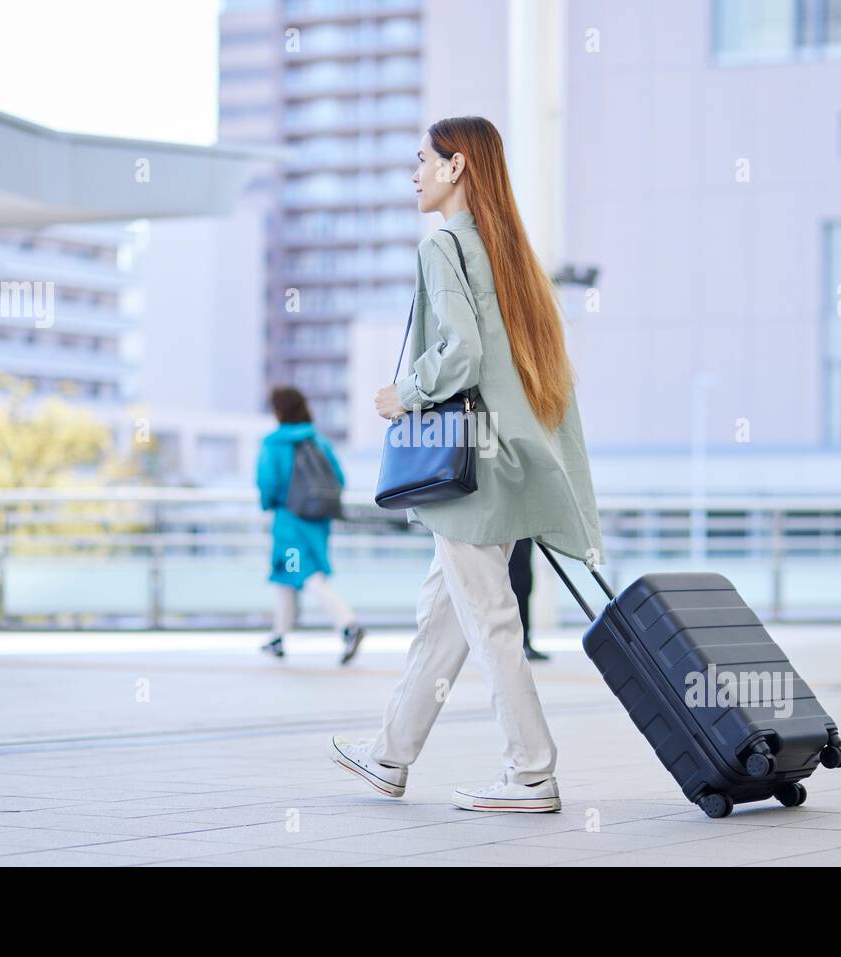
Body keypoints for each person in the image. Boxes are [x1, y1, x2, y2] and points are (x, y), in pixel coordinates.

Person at [329, 116, 604, 813]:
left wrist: (403, 395)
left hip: (466, 472)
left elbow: (460, 356)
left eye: (422, 160)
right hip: (505, 461)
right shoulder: (507, 250)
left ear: (455, 168)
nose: (414, 174)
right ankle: (391, 754)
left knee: (488, 619)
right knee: (444, 616)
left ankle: (532, 772)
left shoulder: (444, 244)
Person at [256, 385, 366, 665]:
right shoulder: (319, 441)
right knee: (286, 574)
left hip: (289, 521)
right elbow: (339, 479)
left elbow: (268, 483)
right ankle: (278, 637)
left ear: (279, 411)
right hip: (317, 521)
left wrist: (270, 502)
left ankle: (348, 625)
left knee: (305, 573)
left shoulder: (275, 443)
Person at [508, 538, 550, 661]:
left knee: (524, 581)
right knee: (519, 580)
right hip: (511, 529)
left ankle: (524, 640)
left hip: (523, 529)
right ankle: (520, 642)